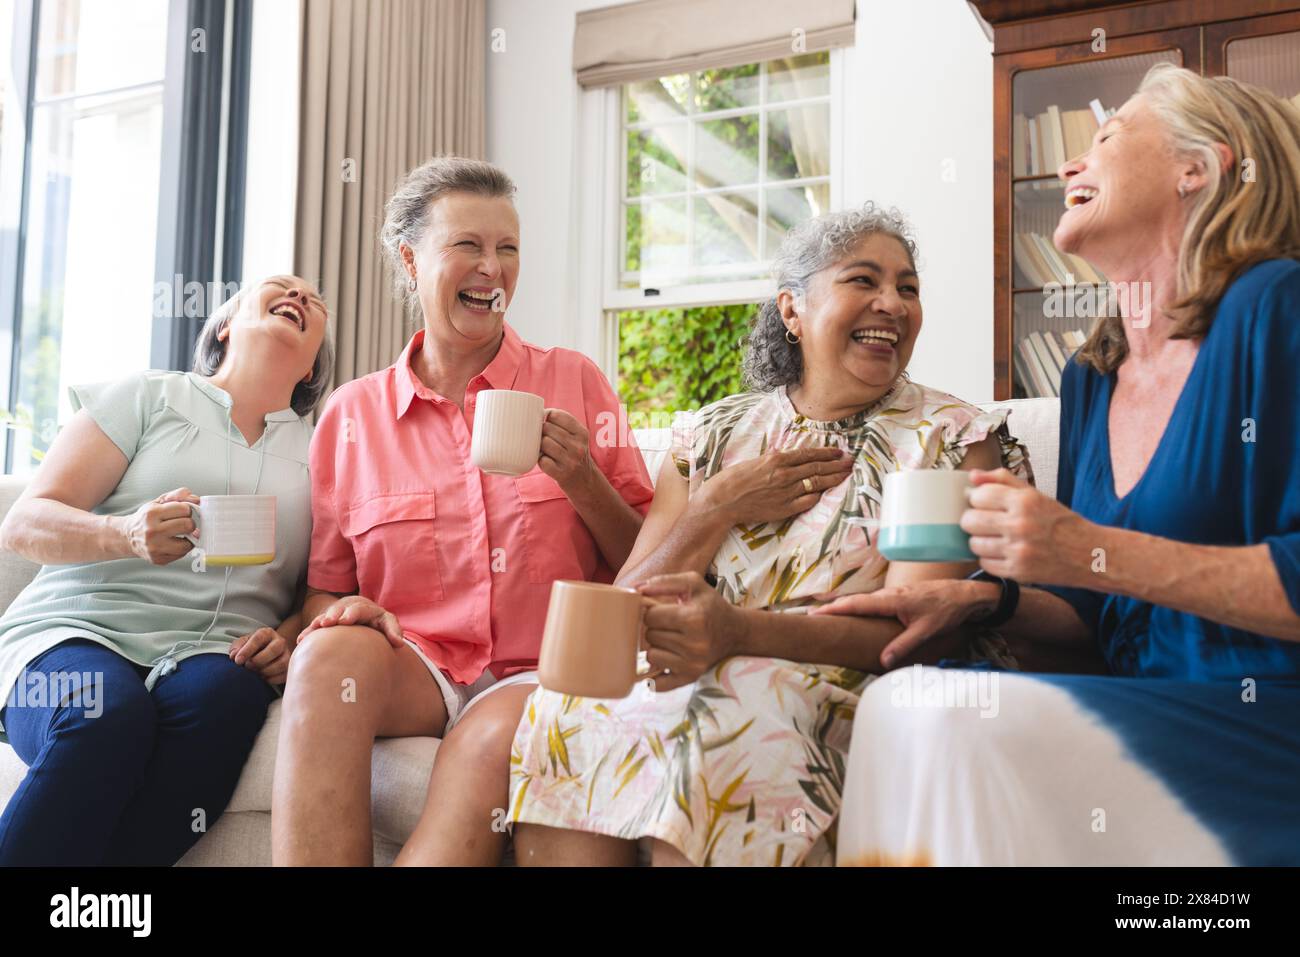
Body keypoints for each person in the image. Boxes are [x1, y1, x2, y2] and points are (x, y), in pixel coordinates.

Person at [827, 63, 1300, 865]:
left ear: (1201, 166)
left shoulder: (1274, 305)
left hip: (1264, 725)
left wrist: (1081, 547)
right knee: (897, 703)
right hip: (1146, 704)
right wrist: (981, 601)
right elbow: (1098, 619)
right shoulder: (1092, 375)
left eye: (1108, 137)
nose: (1070, 165)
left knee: (937, 718)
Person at [506, 203, 1035, 866]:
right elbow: (627, 601)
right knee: (568, 710)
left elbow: (911, 633)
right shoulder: (712, 436)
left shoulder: (946, 439)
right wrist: (714, 506)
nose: (892, 304)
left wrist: (738, 632)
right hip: (706, 673)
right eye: (863, 281)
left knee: (725, 720)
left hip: (844, 695)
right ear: (793, 309)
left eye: (908, 288)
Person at [272, 157, 655, 866]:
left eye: (508, 248)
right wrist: (342, 613)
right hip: (422, 667)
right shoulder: (352, 414)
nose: (493, 268)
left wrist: (582, 481)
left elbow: (650, 558)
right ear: (410, 258)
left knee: (495, 729)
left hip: (548, 663)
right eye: (469, 246)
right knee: (326, 657)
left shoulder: (572, 379)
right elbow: (325, 587)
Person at [0, 275, 332, 865]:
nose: (300, 296)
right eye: (280, 288)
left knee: (225, 703)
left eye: (314, 300)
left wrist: (283, 642)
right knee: (104, 715)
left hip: (214, 654)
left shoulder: (325, 457)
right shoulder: (148, 396)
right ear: (223, 325)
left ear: (311, 369)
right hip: (76, 633)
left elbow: (320, 594)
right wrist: (123, 532)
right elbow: (23, 523)